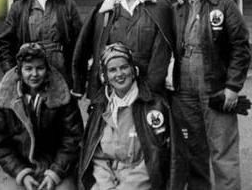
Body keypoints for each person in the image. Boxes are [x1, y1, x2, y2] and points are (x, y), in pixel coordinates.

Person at [171, 0, 251, 190]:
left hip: (215, 87)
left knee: (222, 151)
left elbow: (240, 47)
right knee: (193, 150)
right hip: (183, 90)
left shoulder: (224, 5)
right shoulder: (177, 8)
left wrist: (233, 87)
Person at [78, 42, 186, 190]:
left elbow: (156, 158)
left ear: (134, 70)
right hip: (106, 182)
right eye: (112, 70)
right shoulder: (100, 107)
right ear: (105, 76)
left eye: (124, 67)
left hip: (141, 183)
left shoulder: (153, 107)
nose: (119, 74)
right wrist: (107, 186)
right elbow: (98, 158)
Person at [72, 0, 174, 101]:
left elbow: (161, 54)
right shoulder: (104, 11)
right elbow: (82, 49)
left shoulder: (159, 6)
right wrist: (79, 84)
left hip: (148, 90)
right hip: (112, 88)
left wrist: (149, 90)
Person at [0, 43, 84, 190]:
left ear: (47, 70)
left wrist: (55, 172)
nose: (34, 74)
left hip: (56, 165)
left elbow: (72, 138)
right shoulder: (5, 100)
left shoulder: (62, 97)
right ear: (19, 70)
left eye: (40, 68)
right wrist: (21, 173)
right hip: (22, 166)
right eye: (28, 69)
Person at [0, 0, 82, 86]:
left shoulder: (67, 4)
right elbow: (4, 45)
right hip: (30, 74)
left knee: (62, 106)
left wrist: (76, 77)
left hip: (61, 73)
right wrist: (14, 74)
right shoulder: (19, 7)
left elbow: (80, 43)